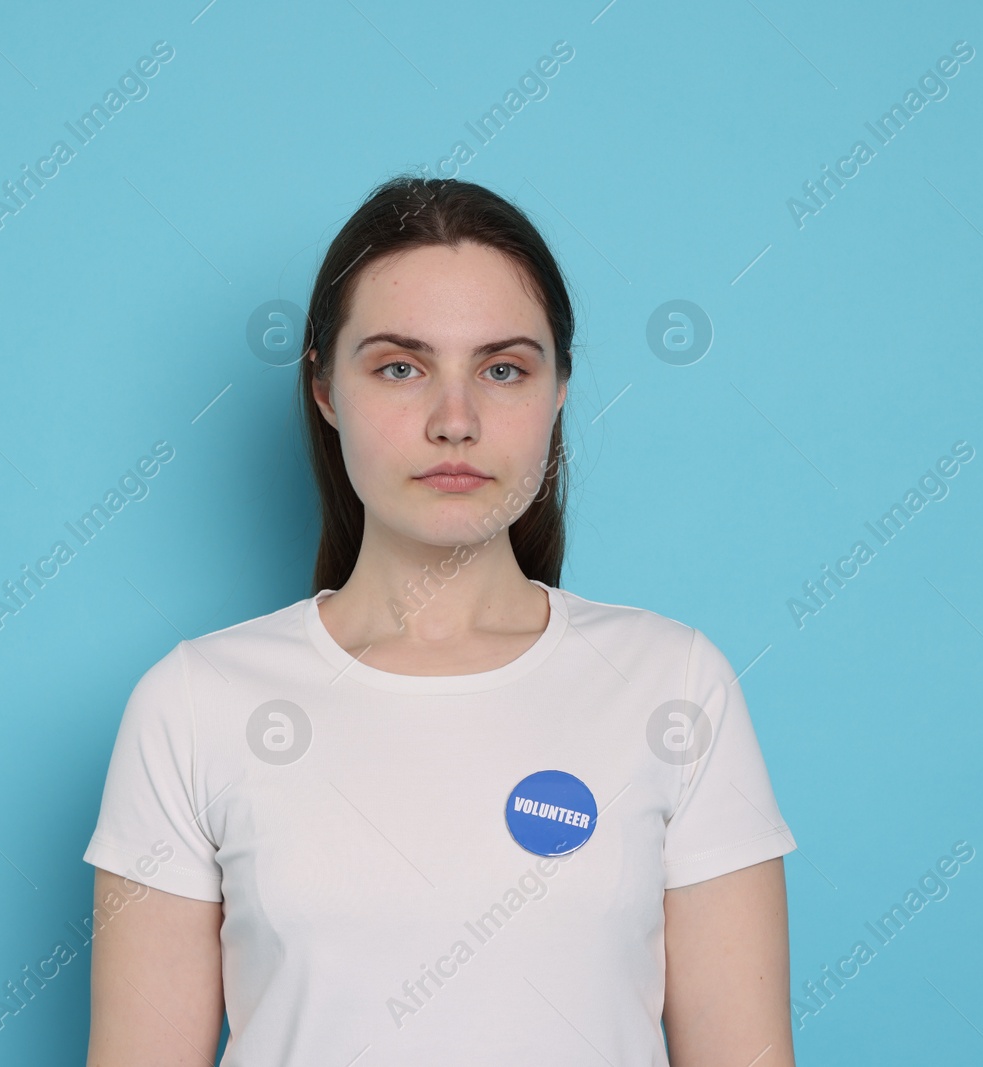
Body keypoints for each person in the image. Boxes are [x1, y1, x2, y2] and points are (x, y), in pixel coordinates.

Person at [82, 175, 798, 1065]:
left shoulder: (675, 684)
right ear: (325, 390)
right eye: (399, 367)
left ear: (561, 390)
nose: (455, 420)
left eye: (503, 369)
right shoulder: (194, 704)